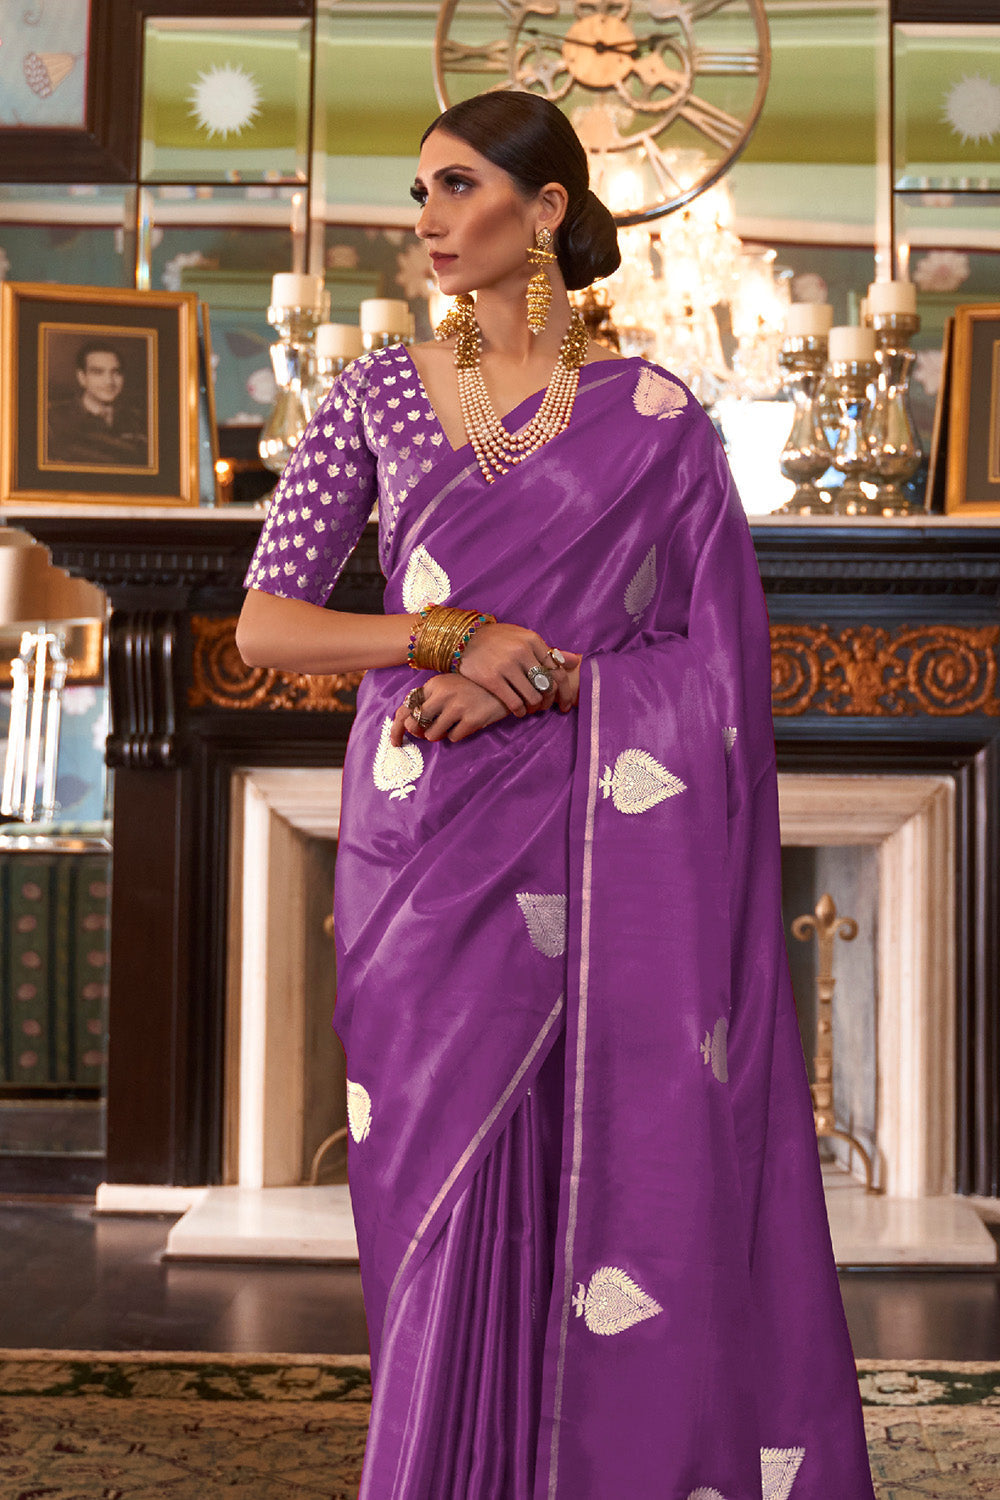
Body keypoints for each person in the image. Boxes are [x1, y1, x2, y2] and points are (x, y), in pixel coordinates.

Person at [236, 91, 876, 1500]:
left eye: (458, 186)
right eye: (419, 190)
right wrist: (447, 637)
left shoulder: (656, 421)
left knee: (610, 1166)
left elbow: (717, 665)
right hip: (427, 841)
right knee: (439, 1190)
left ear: (545, 210)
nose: (426, 218)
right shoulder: (377, 396)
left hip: (601, 832)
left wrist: (554, 679)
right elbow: (268, 627)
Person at [47, 339, 149, 467]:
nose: (109, 381)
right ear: (82, 377)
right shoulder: (52, 420)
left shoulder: (139, 419)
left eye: (116, 372)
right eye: (98, 372)